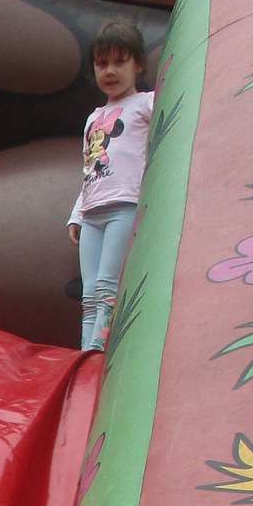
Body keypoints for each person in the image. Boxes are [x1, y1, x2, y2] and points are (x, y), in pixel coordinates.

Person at [69, 19, 153, 352]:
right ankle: (85, 352)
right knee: (89, 292)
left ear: (138, 65)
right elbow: (89, 166)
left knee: (107, 285)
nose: (110, 71)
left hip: (124, 204)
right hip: (93, 211)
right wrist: (77, 213)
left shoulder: (146, 103)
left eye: (120, 62)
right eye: (102, 63)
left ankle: (99, 348)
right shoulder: (93, 118)